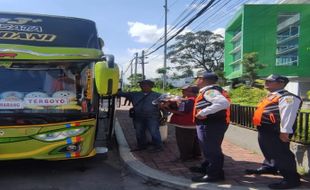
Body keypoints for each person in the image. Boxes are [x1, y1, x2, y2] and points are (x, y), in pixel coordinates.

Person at [248, 74, 302, 189]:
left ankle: (291, 179)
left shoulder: (288, 97)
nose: (266, 83)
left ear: (281, 83)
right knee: (268, 151)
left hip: (276, 130)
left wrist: (285, 132)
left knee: (282, 154)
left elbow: (288, 116)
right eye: (266, 80)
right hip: (265, 128)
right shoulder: (272, 96)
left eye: (270, 81)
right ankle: (270, 166)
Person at [190, 72, 230, 183]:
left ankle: (214, 174)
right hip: (212, 124)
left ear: (202, 79)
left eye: (197, 78)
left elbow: (223, 103)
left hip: (210, 125)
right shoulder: (210, 90)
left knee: (211, 150)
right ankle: (207, 168)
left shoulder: (210, 91)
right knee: (210, 149)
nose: (196, 80)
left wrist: (203, 112)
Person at [118, 79, 163, 153]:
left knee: (154, 132)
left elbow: (164, 106)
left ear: (151, 86)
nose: (142, 86)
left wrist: (165, 115)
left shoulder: (157, 95)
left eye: (144, 84)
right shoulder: (134, 94)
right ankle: (141, 146)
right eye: (141, 84)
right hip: (138, 117)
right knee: (139, 132)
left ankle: (158, 146)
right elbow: (122, 94)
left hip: (152, 117)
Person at [162, 85, 201, 162]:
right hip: (194, 124)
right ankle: (196, 155)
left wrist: (167, 108)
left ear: (190, 92)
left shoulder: (189, 101)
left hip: (185, 125)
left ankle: (184, 157)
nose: (182, 92)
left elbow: (182, 113)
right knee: (194, 141)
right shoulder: (198, 99)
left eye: (184, 90)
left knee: (183, 142)